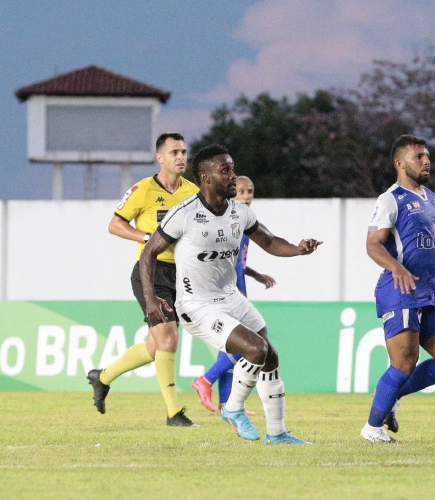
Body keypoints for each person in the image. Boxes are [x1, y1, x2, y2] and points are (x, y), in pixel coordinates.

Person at [139, 144, 322, 445]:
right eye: (226, 171)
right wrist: (150, 298)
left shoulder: (240, 212)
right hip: (196, 305)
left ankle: (277, 433)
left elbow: (270, 241)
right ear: (206, 178)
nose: (234, 176)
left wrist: (298, 250)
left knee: (270, 357)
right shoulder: (184, 214)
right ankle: (233, 408)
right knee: (256, 350)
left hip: (230, 297)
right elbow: (149, 253)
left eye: (233, 168)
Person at [361, 134, 435, 443]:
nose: (426, 161)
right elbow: (373, 245)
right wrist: (396, 266)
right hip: (400, 291)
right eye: (418, 157)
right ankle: (371, 429)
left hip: (431, 292)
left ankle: (392, 396)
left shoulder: (432, 198)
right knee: (404, 363)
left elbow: (427, 249)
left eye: (427, 156)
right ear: (400, 163)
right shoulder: (390, 199)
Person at [87, 132, 200, 427]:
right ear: (159, 157)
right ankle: (174, 413)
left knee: (155, 347)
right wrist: (147, 236)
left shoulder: (192, 192)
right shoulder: (143, 189)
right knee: (168, 338)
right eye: (174, 152)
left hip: (181, 274)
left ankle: (103, 377)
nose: (181, 157)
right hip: (151, 271)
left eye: (184, 152)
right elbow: (115, 224)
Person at [191, 175, 276, 415]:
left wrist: (256, 274)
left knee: (230, 350)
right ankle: (205, 380)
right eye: (241, 191)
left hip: (239, 290)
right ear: (231, 193)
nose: (246, 196)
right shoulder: (226, 222)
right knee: (243, 348)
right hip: (230, 293)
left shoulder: (243, 224)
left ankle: (226, 404)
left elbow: (237, 262)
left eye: (250, 191)